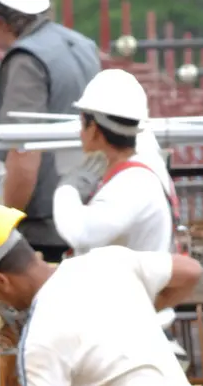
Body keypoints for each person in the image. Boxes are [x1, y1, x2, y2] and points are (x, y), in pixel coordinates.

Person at [0, 204, 202, 386]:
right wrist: (142, 310)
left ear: (2, 282)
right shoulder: (108, 261)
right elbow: (191, 271)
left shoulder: (41, 338)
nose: (0, 301)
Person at [0, 0, 101, 262]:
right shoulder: (82, 46)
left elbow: (24, 156)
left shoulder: (26, 61)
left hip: (43, 232)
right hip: (86, 212)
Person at [54, 69, 177, 256]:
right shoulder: (140, 169)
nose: (80, 134)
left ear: (93, 129)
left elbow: (81, 233)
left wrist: (67, 188)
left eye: (82, 125)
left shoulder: (133, 183)